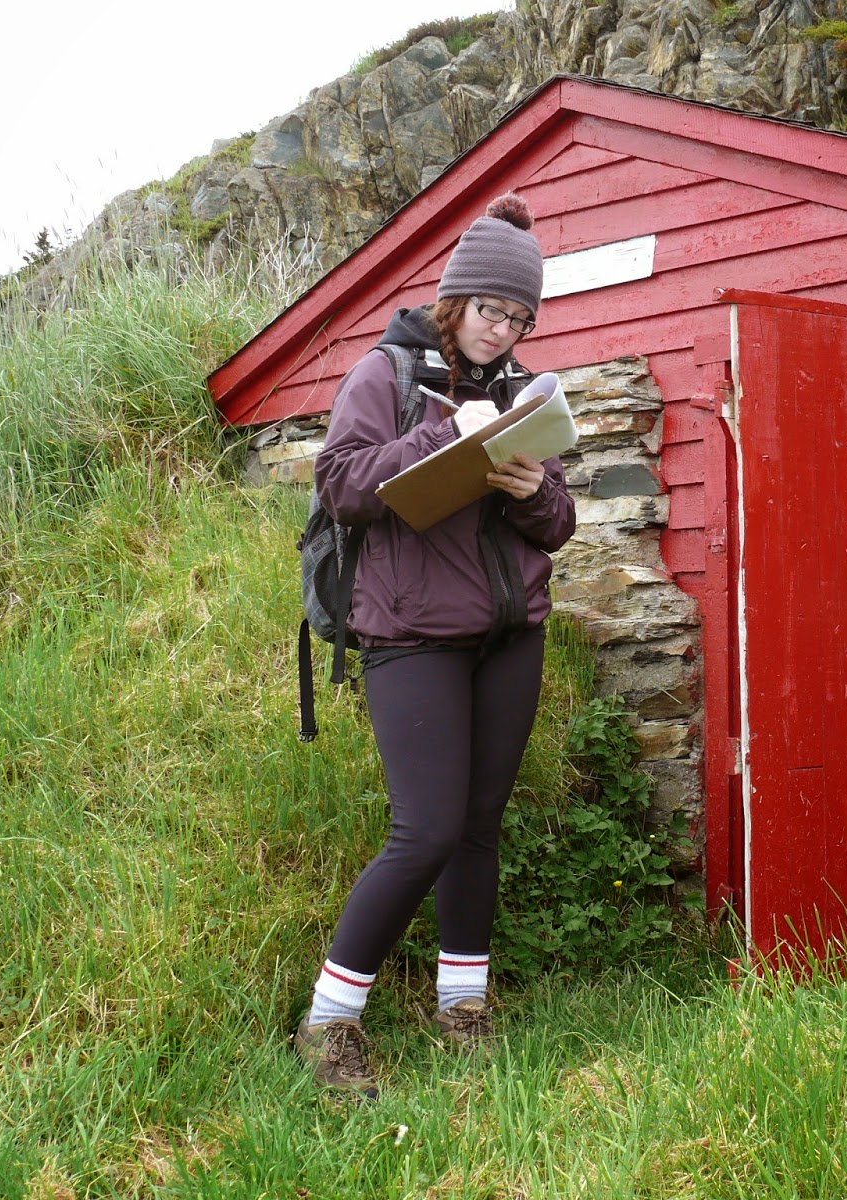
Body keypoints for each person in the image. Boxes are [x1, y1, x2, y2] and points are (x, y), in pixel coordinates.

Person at [293, 193, 575, 1100]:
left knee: (480, 827)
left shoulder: (520, 390)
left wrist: (532, 490)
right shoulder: (385, 373)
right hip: (411, 636)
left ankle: (463, 1008)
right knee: (426, 830)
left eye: (521, 318)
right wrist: (440, 433)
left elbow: (558, 525)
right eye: (492, 309)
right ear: (456, 298)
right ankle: (328, 1023)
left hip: (510, 635)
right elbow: (341, 486)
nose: (503, 330)